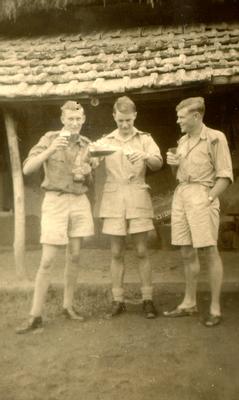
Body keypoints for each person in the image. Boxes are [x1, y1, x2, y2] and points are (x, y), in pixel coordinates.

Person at [16, 101, 96, 334]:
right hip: (55, 201)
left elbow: (89, 182)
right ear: (63, 120)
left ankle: (68, 306)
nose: (74, 123)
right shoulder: (49, 138)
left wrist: (89, 172)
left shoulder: (87, 144)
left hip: (79, 201)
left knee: (75, 255)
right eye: (70, 119)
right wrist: (51, 149)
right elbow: (28, 168)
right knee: (48, 260)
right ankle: (35, 315)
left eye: (78, 119)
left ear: (83, 120)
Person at [163, 97, 233, 327]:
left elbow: (225, 176)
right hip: (182, 194)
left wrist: (209, 198)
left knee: (209, 250)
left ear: (196, 116)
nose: (177, 120)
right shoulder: (182, 141)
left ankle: (215, 308)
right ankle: (189, 302)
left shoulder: (215, 138)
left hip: (203, 193)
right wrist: (172, 162)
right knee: (186, 251)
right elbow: (178, 175)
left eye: (181, 117)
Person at [97, 96, 163, 318]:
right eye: (120, 120)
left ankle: (147, 299)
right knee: (116, 252)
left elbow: (158, 162)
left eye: (128, 120)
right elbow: (91, 160)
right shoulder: (106, 140)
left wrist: (145, 156)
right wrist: (90, 159)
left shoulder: (145, 139)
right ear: (114, 116)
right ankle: (118, 301)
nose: (125, 125)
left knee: (142, 250)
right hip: (114, 198)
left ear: (135, 116)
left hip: (137, 195)